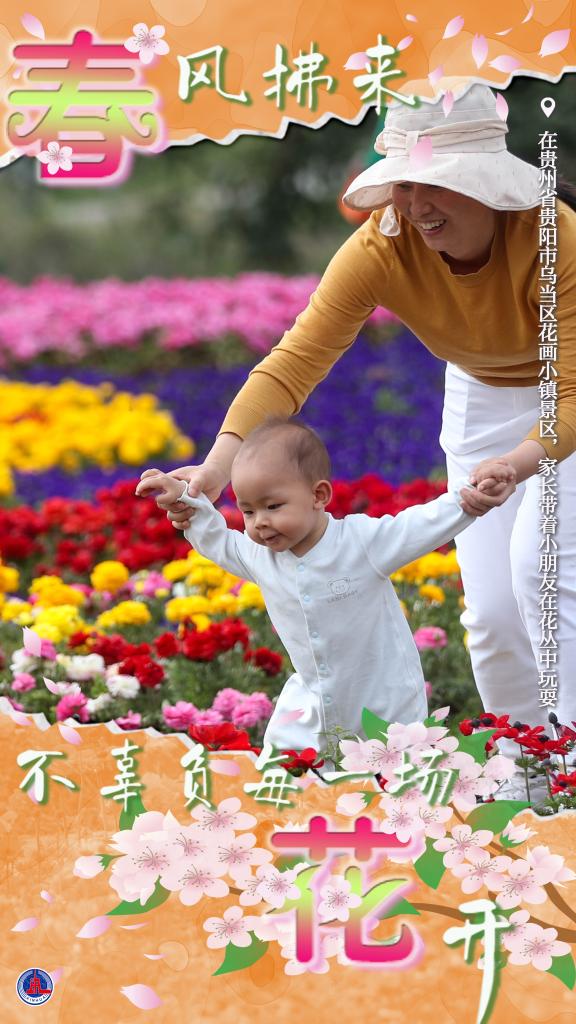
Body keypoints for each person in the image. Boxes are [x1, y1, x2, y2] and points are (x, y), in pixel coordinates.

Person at [158, 84, 576, 754]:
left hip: (567, 400)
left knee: (542, 575)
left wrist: (518, 463)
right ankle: (526, 764)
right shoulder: (381, 246)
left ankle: (570, 768)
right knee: (494, 614)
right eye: (404, 184)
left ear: (488, 181)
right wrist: (214, 469)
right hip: (482, 394)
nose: (416, 204)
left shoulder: (555, 236)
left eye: (435, 183)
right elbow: (293, 364)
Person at [136, 417, 516, 754]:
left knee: (391, 784)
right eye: (248, 510)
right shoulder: (260, 555)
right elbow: (218, 539)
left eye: (273, 506)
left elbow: (416, 525)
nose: (259, 522)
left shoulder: (359, 543)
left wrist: (467, 498)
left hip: (385, 702)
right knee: (286, 776)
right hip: (311, 703)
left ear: (318, 496)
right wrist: (184, 500)